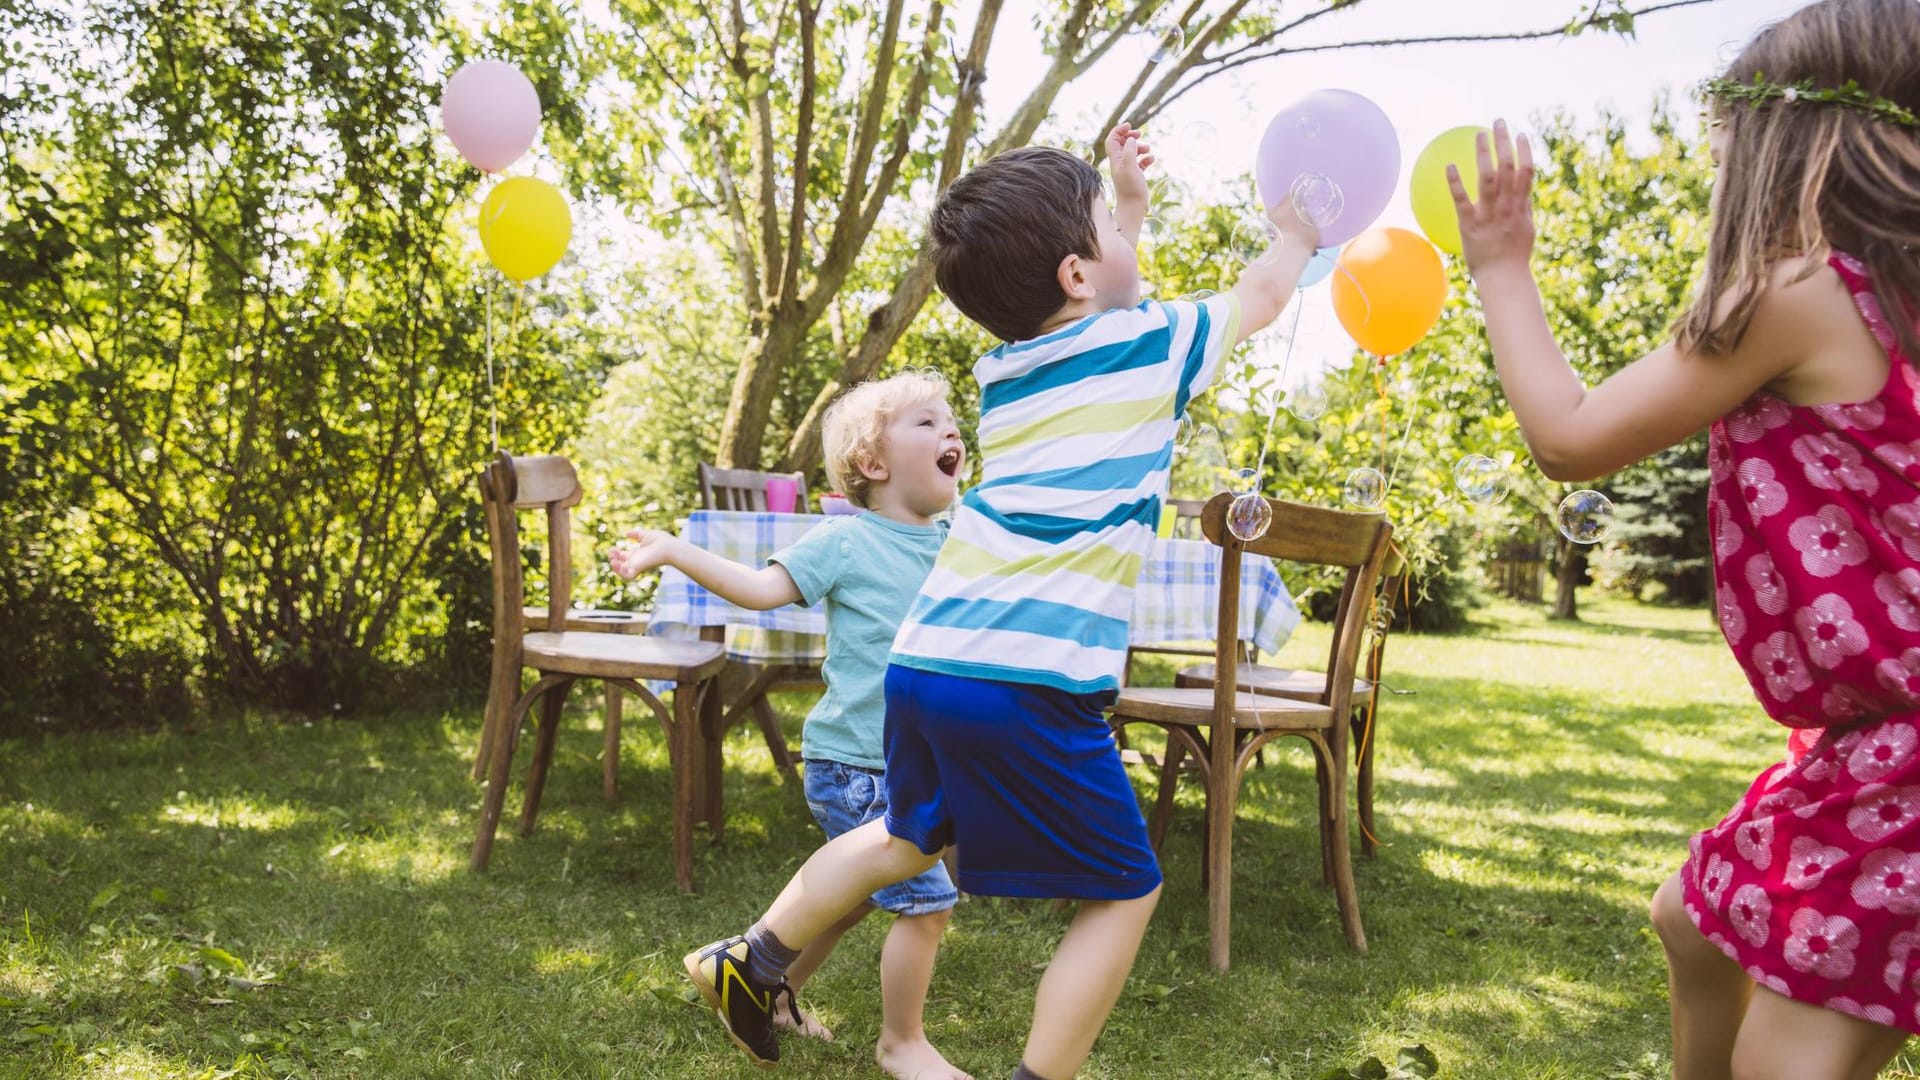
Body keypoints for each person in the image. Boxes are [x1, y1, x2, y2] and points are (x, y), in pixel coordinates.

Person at [681, 122, 1320, 1077]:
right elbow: (1262, 295)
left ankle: (755, 955)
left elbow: (1112, 289)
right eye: (1106, 224)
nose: (1121, 236)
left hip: (928, 662)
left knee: (904, 834)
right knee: (1127, 888)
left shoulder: (1007, 376)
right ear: (1075, 272)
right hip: (1031, 679)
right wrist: (1299, 232)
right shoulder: (1152, 347)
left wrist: (1124, 207)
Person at [1447, 1, 1920, 1075]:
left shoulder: (1800, 293)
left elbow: (1569, 439)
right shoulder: (1892, 299)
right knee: (1692, 920)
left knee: (1784, 1062)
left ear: (1782, 152)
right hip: (1872, 746)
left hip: (1905, 756)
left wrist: (1501, 264)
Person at [612, 371, 973, 1080]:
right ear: (873, 464)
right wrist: (673, 549)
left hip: (910, 762)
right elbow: (759, 590)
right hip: (858, 764)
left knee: (848, 899)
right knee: (928, 905)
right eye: (928, 423)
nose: (952, 432)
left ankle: (773, 995)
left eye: (953, 422)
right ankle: (903, 1044)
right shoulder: (845, 541)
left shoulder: (957, 540)